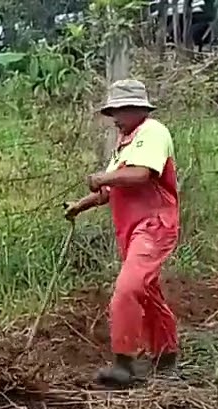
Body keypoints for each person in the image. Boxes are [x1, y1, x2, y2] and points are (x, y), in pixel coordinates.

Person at [64, 78, 181, 389]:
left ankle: (123, 363)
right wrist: (80, 205)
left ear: (135, 109)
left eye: (118, 111)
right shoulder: (126, 144)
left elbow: (141, 175)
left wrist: (102, 176)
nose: (114, 118)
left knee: (127, 289)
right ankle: (166, 356)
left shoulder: (152, 133)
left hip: (154, 225)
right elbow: (111, 189)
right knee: (148, 292)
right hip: (132, 231)